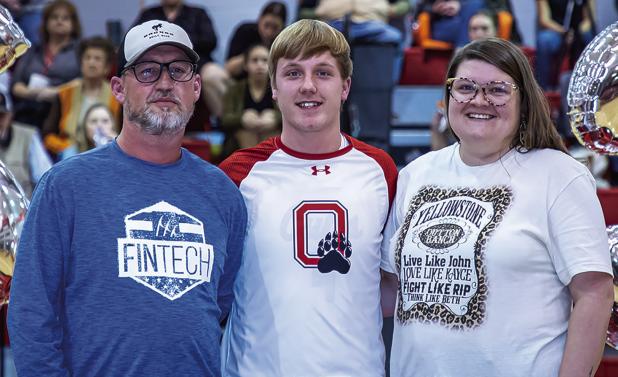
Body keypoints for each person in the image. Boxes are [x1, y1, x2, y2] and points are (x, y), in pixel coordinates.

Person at [8, 19, 247, 376]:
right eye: (148, 71)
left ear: (196, 87)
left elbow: (220, 300)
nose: (165, 83)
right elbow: (31, 311)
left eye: (179, 71)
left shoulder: (222, 193)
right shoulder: (66, 186)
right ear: (118, 88)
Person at [381, 37, 613, 377]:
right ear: (447, 97)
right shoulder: (415, 175)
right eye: (466, 87)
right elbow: (390, 290)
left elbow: (595, 292)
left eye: (498, 90)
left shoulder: (559, 175)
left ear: (524, 101)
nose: (479, 100)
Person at [219, 19, 398, 376]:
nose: (308, 86)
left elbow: (390, 289)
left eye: (323, 72)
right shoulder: (236, 174)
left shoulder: (380, 170)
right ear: (273, 87)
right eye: (293, 73)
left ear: (346, 86)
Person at [135, 0, 228, 119]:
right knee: (134, 76)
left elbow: (211, 41)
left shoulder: (198, 13)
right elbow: (134, 40)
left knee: (215, 76)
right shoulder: (149, 14)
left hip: (196, 61)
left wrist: (180, 42)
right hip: (158, 63)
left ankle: (227, 121)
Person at [42, 36, 120, 159]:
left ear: (107, 67)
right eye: (87, 58)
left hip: (106, 152)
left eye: (97, 59)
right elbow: (48, 134)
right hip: (70, 155)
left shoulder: (117, 96)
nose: (91, 63)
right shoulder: (65, 93)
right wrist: (63, 147)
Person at [431, 8, 497, 150]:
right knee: (437, 121)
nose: (479, 33)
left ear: (495, 31)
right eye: (474, 29)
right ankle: (441, 168)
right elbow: (450, 90)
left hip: (495, 107)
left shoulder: (506, 59)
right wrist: (444, 109)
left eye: (484, 28)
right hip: (466, 105)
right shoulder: (460, 59)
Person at [10, 0, 81, 129]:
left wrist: (56, 93)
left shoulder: (79, 51)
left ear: (73, 24)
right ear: (46, 22)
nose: (59, 21)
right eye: (54, 17)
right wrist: (34, 93)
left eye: (65, 18)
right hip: (27, 111)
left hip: (62, 112)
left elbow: (82, 83)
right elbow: (16, 85)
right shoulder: (32, 50)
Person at [221, 43, 280, 158]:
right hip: (239, 143)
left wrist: (275, 119)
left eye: (264, 60)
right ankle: (250, 167)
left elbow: (293, 117)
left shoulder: (280, 88)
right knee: (246, 132)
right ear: (245, 65)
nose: (260, 65)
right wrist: (241, 119)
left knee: (271, 132)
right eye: (254, 60)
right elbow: (224, 120)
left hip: (271, 137)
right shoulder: (234, 89)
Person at [0, 82, 52, 198]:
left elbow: (45, 178)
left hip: (22, 210)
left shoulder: (28, 136)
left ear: (10, 115)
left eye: (1, 115)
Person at [535, 0, 596, 90]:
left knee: (589, 37)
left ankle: (592, 83)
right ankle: (542, 88)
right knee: (544, 40)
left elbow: (589, 20)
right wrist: (564, 32)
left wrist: (577, 32)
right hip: (557, 31)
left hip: (579, 30)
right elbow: (544, 20)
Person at [225, 1, 287, 80]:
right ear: (259, 19)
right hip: (240, 81)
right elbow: (229, 68)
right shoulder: (245, 31)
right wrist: (251, 55)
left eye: (275, 27)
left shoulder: (285, 39)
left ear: (282, 27)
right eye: (266, 25)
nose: (269, 32)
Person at [419, 0, 485, 47]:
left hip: (461, 19)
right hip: (441, 24)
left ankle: (462, 49)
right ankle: (464, 47)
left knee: (475, 3)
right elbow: (421, 7)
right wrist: (437, 7)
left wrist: (459, 4)